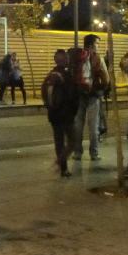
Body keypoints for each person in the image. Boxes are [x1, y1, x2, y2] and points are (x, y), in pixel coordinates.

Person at [41, 49, 78, 177]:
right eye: (67, 58)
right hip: (66, 115)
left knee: (59, 141)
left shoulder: (49, 75)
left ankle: (63, 169)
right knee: (73, 141)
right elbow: (72, 96)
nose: (68, 60)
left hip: (53, 114)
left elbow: (44, 95)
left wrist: (50, 107)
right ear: (64, 60)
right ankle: (60, 161)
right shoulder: (66, 76)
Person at [72, 34, 110, 161]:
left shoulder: (76, 56)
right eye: (97, 43)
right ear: (91, 45)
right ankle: (94, 153)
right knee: (94, 126)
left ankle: (77, 153)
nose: (98, 46)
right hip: (93, 95)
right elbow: (106, 79)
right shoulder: (98, 58)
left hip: (78, 94)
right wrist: (100, 90)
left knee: (78, 125)